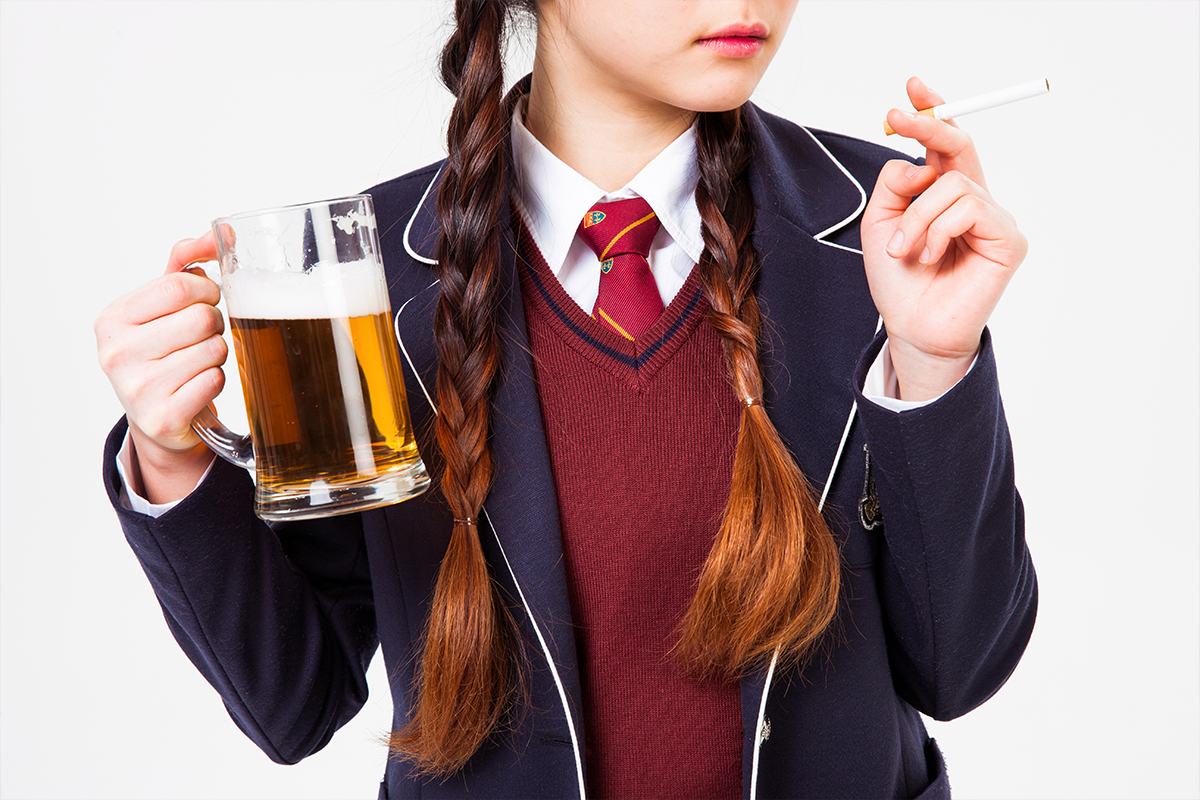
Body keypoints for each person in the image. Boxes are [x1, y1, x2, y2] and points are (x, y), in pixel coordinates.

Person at [94, 1, 1037, 797]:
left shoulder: (887, 226)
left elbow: (959, 668)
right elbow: (295, 704)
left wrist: (934, 362)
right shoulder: (362, 275)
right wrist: (172, 460)